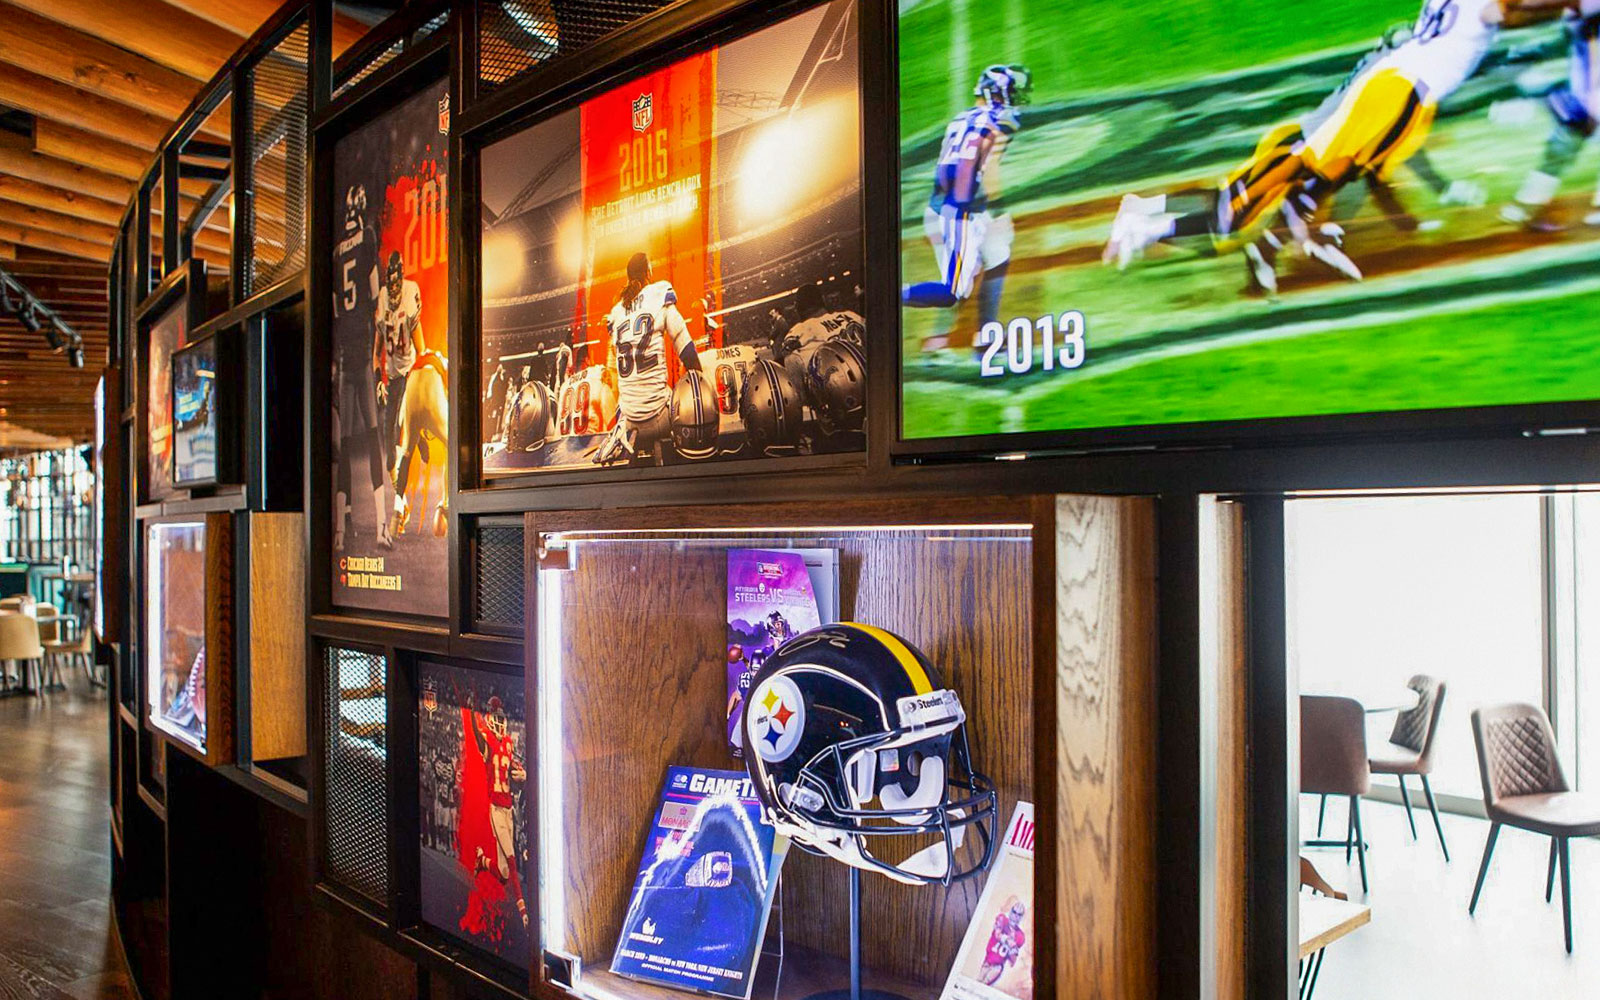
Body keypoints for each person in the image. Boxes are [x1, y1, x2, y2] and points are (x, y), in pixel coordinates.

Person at [903, 64, 1030, 351]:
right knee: (954, 291)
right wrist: (999, 212)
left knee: (998, 254)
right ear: (997, 92)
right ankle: (891, 298)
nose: (1015, 97)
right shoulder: (1001, 120)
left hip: (953, 207)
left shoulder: (958, 120)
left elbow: (953, 171)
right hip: (956, 214)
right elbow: (991, 169)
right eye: (1011, 91)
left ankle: (987, 337)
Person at [595, 252, 702, 464]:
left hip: (628, 423)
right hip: (660, 417)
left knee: (622, 405)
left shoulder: (616, 312)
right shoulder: (658, 294)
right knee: (692, 399)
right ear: (648, 272)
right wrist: (700, 382)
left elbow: (615, 373)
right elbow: (685, 347)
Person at [333, 184, 385, 551]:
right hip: (364, 355)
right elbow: (377, 301)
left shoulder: (337, 251)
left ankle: (339, 530)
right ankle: (382, 526)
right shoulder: (367, 239)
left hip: (344, 355)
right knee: (373, 439)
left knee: (346, 446)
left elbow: (337, 309)